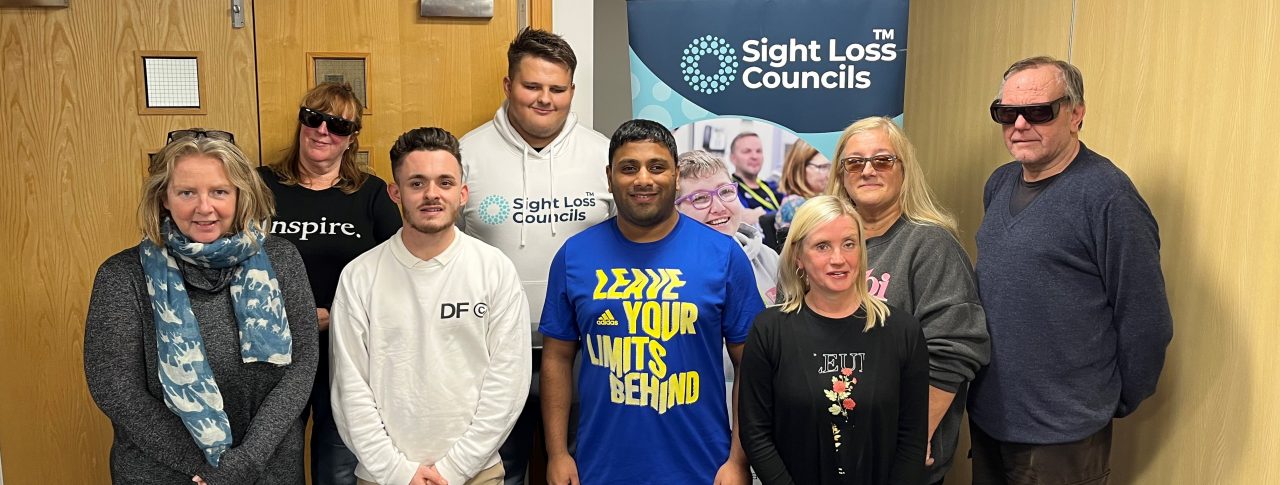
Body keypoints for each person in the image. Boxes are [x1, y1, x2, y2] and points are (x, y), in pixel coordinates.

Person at [969, 56, 1173, 485]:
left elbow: (1145, 320)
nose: (1020, 124)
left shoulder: (1109, 197)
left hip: (1063, 438)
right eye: (1006, 113)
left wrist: (1102, 403)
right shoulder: (1000, 183)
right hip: (991, 418)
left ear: (1076, 114)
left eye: (1039, 111)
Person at [85, 130, 318, 484]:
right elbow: (116, 389)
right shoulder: (122, 276)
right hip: (164, 471)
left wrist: (247, 461)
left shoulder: (282, 259)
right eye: (187, 192)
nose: (204, 207)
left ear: (241, 195)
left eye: (220, 191)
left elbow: (301, 366)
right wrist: (205, 466)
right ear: (164, 197)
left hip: (267, 466)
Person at [539, 120, 764, 484]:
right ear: (609, 177)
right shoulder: (574, 256)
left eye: (657, 167)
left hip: (704, 468)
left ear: (676, 176)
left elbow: (751, 367)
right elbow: (556, 357)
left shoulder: (723, 255)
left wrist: (738, 460)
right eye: (629, 168)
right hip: (599, 469)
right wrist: (557, 454)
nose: (643, 179)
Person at [330, 127, 532, 485]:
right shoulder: (359, 276)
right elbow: (350, 386)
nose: (432, 194)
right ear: (396, 192)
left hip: (476, 473)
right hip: (383, 476)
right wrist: (397, 471)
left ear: (463, 193)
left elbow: (508, 382)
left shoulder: (494, 269)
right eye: (417, 183)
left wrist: (454, 469)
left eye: (445, 182)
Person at [457, 28, 612, 485]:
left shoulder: (604, 154)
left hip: (589, 351)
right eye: (532, 86)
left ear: (571, 91)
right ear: (508, 86)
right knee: (499, 473)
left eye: (557, 89)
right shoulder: (466, 154)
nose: (545, 99)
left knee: (582, 472)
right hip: (490, 354)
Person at [827, 116, 990, 485]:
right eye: (855, 162)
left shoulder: (930, 246)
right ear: (841, 174)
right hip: (826, 449)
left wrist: (914, 437)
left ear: (904, 170)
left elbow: (955, 349)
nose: (868, 170)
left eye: (882, 160)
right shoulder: (818, 246)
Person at [259, 82, 401, 485]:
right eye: (314, 118)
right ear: (301, 123)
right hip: (270, 350)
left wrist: (332, 314)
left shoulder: (372, 195)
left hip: (345, 348)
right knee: (273, 459)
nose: (323, 131)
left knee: (338, 463)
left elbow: (397, 273)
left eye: (338, 125)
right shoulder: (260, 187)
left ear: (352, 139)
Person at [739, 195, 928, 485]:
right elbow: (755, 433)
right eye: (822, 246)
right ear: (798, 256)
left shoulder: (902, 330)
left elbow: (913, 438)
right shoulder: (769, 330)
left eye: (849, 244)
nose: (838, 259)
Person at [775, 138, 831, 235]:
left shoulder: (814, 200)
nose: (828, 175)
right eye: (822, 167)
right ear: (799, 168)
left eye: (829, 167)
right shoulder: (794, 206)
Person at [729, 132, 783, 225]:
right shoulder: (729, 192)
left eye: (758, 151)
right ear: (733, 158)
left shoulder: (773, 187)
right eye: (747, 151)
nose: (754, 156)